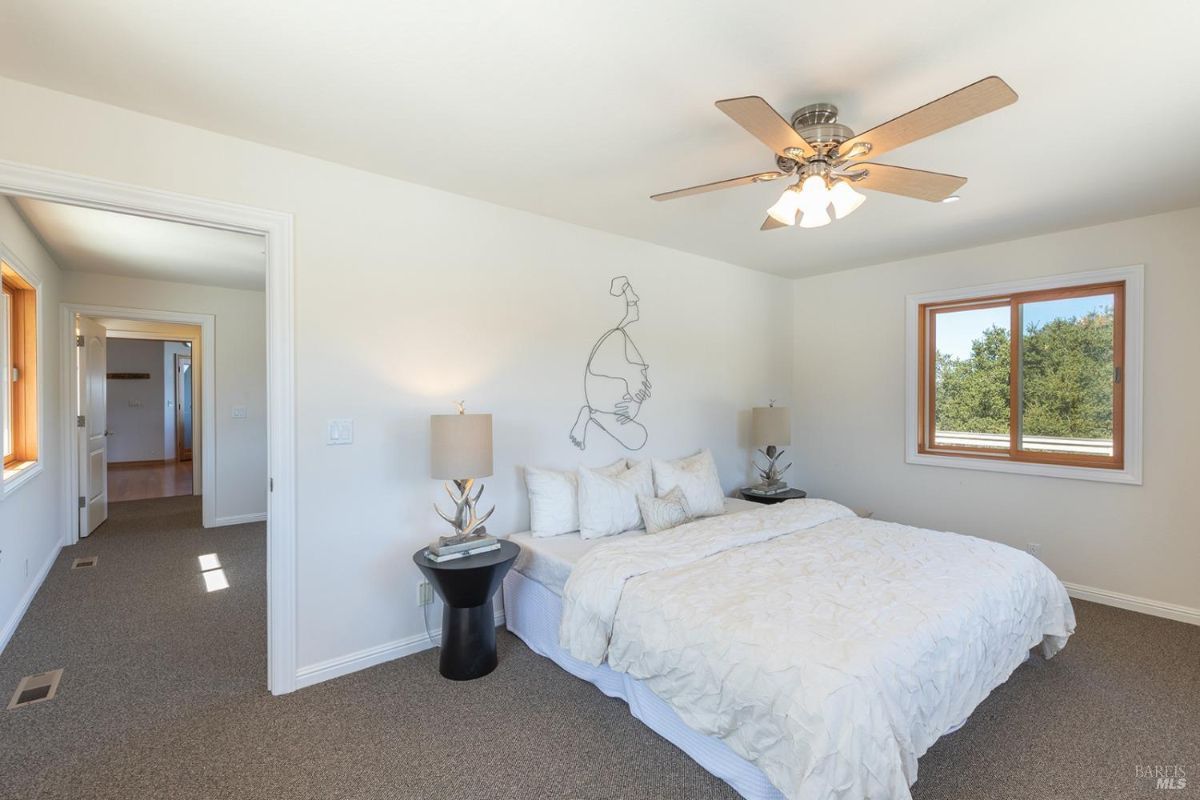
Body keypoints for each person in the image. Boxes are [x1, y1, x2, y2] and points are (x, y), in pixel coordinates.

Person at [570, 276, 651, 450]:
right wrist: (636, 397)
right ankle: (591, 415)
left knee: (637, 436)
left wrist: (637, 395)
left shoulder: (614, 338)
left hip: (605, 393)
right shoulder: (615, 338)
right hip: (611, 390)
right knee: (638, 437)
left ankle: (591, 415)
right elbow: (634, 377)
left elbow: (636, 378)